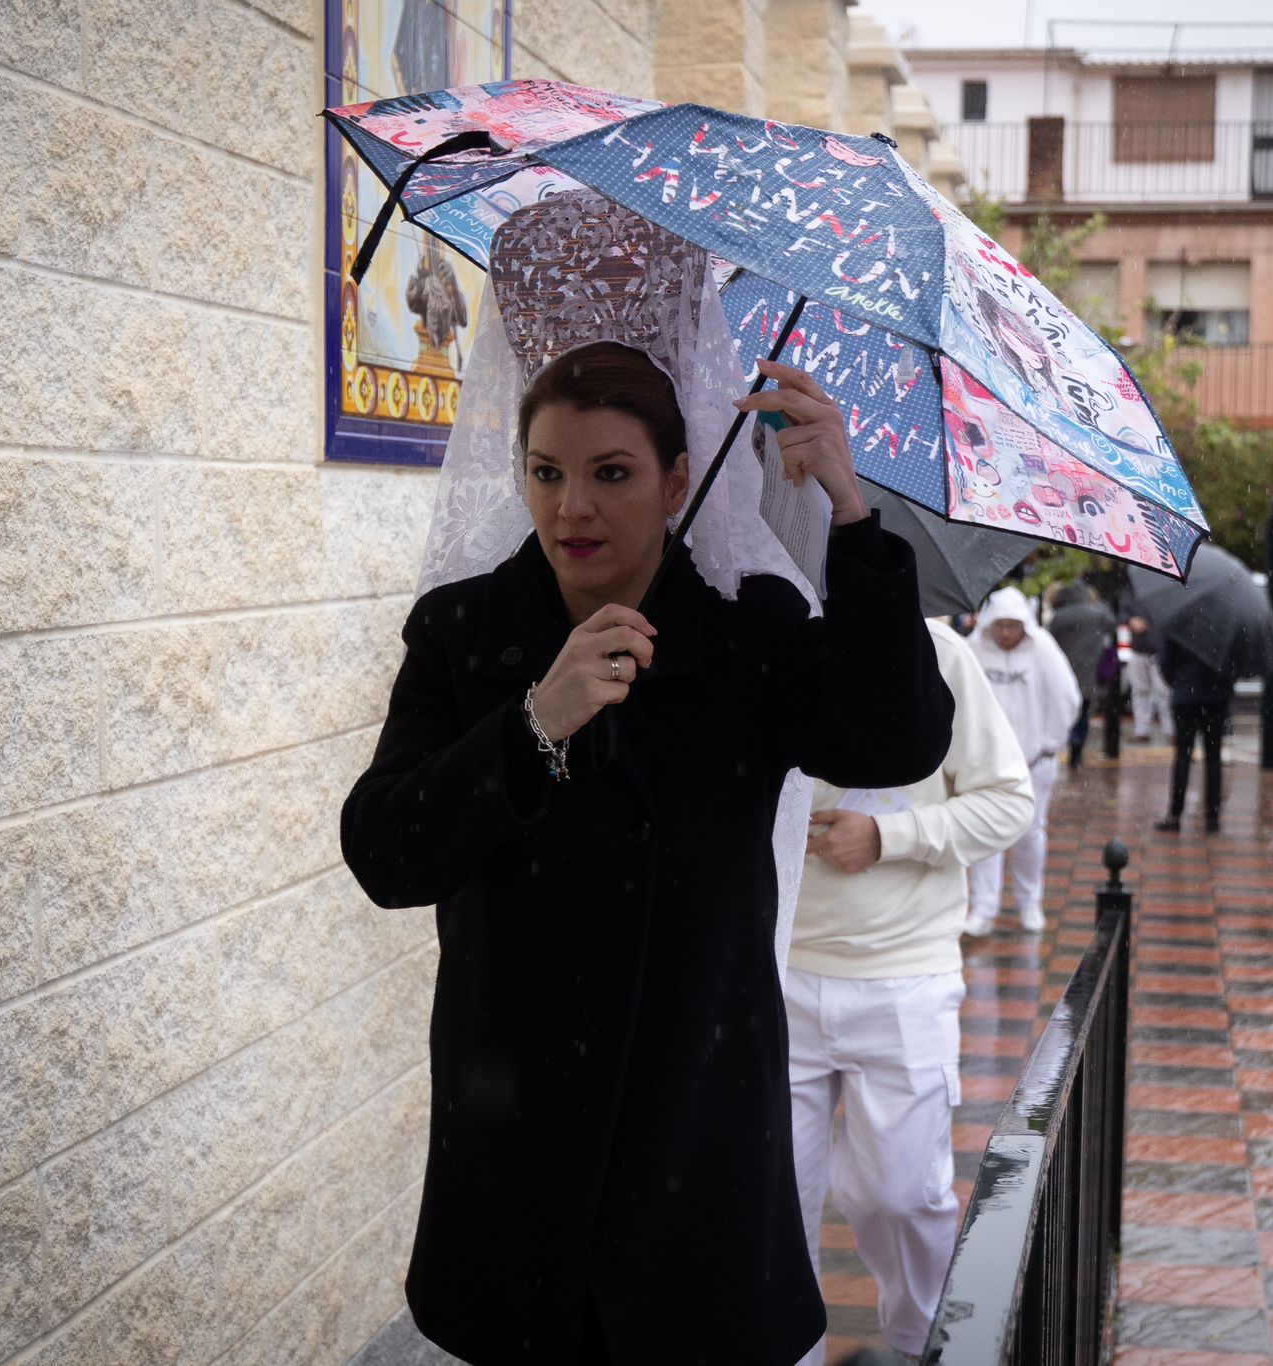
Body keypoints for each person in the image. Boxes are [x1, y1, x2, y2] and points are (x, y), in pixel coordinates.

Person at [341, 195, 955, 1366]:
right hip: (512, 1138)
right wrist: (532, 721)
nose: (572, 507)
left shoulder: (750, 627)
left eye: (612, 472)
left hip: (696, 1134)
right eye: (546, 470)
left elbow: (893, 740)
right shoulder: (463, 634)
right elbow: (383, 850)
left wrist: (850, 508)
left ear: (678, 478)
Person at [786, 619, 1034, 1365]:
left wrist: (888, 837)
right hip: (775, 974)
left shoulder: (939, 653)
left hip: (904, 976)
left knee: (895, 1197)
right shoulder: (763, 641)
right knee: (773, 1203)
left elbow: (1006, 802)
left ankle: (923, 1346)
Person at [963, 587, 1083, 935]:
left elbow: (1066, 697)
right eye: (999, 626)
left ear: (1025, 626)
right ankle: (983, 908)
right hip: (985, 764)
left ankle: (1030, 903)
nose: (1005, 633)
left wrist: (1050, 744)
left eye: (1013, 626)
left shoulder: (1042, 648)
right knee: (985, 834)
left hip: (1034, 762)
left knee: (1029, 835)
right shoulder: (974, 650)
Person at [1155, 631, 1238, 834]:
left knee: (1183, 756)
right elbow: (1236, 661)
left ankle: (1175, 814)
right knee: (1213, 757)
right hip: (1216, 697)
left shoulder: (1180, 620)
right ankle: (1212, 818)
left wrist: (1179, 682)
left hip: (1185, 696)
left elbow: (1165, 661)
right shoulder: (1225, 622)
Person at [1045, 581, 1115, 769]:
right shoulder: (1097, 613)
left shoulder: (1059, 617)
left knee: (1065, 711)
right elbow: (1112, 624)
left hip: (1065, 671)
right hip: (1089, 669)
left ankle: (1066, 745)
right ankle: (1077, 750)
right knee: (1083, 712)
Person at [1124, 611, 1173, 743]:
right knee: (1140, 692)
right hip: (1139, 650)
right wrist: (1130, 619)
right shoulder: (1132, 595)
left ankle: (1170, 730)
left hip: (1159, 651)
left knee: (1164, 692)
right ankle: (1142, 730)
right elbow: (1121, 614)